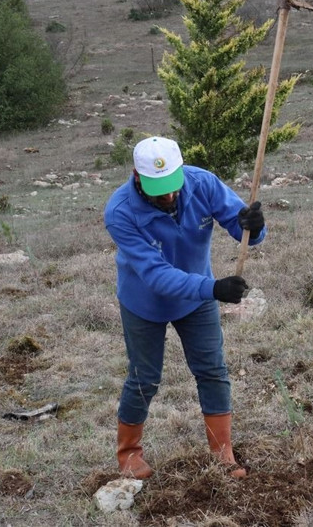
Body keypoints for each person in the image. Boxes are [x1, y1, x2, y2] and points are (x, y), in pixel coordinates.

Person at [104, 136, 266, 479]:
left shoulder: (202, 182)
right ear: (136, 176)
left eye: (173, 186)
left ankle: (223, 453)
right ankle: (129, 455)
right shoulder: (119, 212)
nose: (169, 196)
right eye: (159, 189)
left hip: (197, 300)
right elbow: (157, 276)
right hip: (145, 303)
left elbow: (241, 226)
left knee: (212, 369)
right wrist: (213, 288)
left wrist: (254, 226)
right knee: (144, 377)